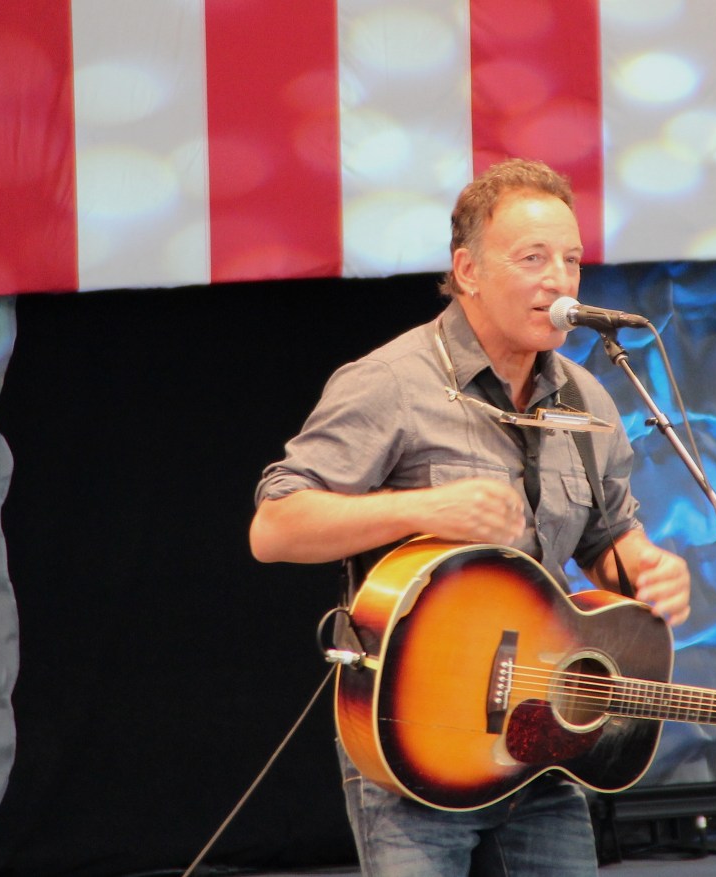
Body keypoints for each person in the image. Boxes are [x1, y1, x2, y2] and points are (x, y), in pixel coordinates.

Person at [250, 158, 692, 877]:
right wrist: (425, 506)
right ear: (468, 271)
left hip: (541, 740)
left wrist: (646, 567)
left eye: (572, 259)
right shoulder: (390, 382)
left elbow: (608, 538)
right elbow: (274, 528)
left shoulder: (589, 400)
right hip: (415, 740)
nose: (560, 280)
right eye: (533, 258)